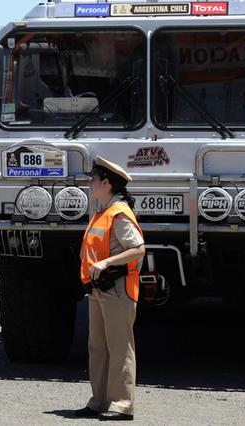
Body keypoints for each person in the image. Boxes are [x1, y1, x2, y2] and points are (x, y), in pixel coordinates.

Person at [75, 156, 145, 421]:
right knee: (98, 347)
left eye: (93, 179)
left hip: (117, 288)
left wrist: (106, 263)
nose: (89, 182)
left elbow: (138, 249)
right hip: (98, 289)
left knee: (119, 347)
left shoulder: (118, 213)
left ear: (106, 183)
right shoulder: (101, 211)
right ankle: (99, 400)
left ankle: (122, 404)